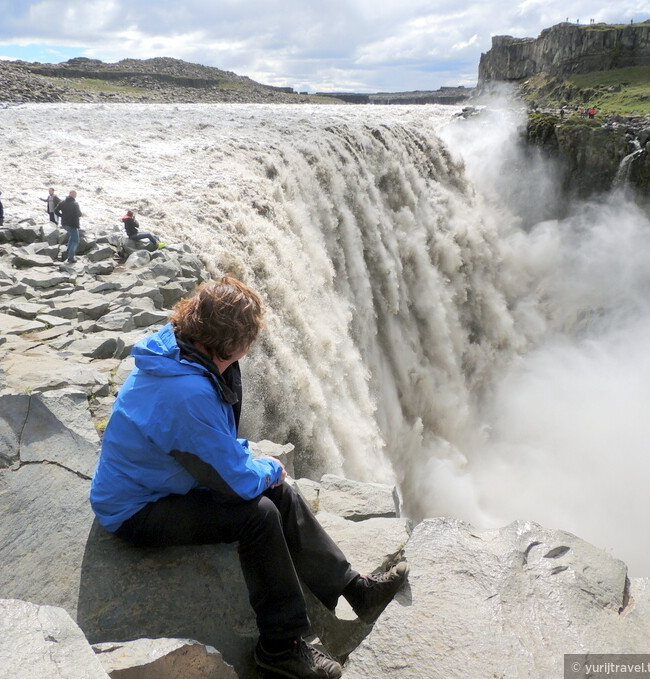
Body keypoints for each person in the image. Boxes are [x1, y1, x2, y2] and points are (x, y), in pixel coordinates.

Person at [90, 275, 409, 679]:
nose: (251, 348)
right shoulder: (185, 393)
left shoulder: (181, 350)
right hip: (137, 509)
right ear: (232, 343)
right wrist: (270, 468)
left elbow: (211, 444)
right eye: (249, 340)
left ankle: (354, 590)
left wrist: (264, 472)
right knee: (257, 515)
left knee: (282, 494)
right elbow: (235, 482)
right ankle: (280, 647)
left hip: (167, 480)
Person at [55, 190, 82, 263]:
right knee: (76, 240)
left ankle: (68, 251)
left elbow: (56, 210)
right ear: (73, 195)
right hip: (73, 224)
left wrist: (61, 216)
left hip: (64, 224)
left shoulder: (63, 202)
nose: (74, 196)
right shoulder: (75, 204)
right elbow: (79, 214)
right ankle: (71, 257)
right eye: (74, 194)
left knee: (72, 237)